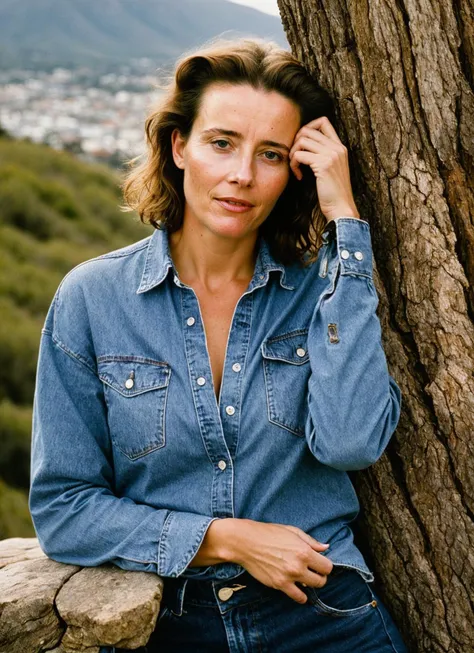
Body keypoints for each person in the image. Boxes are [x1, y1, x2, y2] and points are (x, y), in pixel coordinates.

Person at [29, 37, 408, 653]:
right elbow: (65, 509)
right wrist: (227, 539)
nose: (241, 175)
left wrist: (346, 222)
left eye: (271, 154)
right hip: (165, 622)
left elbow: (351, 441)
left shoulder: (324, 293)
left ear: (294, 173)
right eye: (222, 143)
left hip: (323, 614)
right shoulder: (92, 299)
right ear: (179, 146)